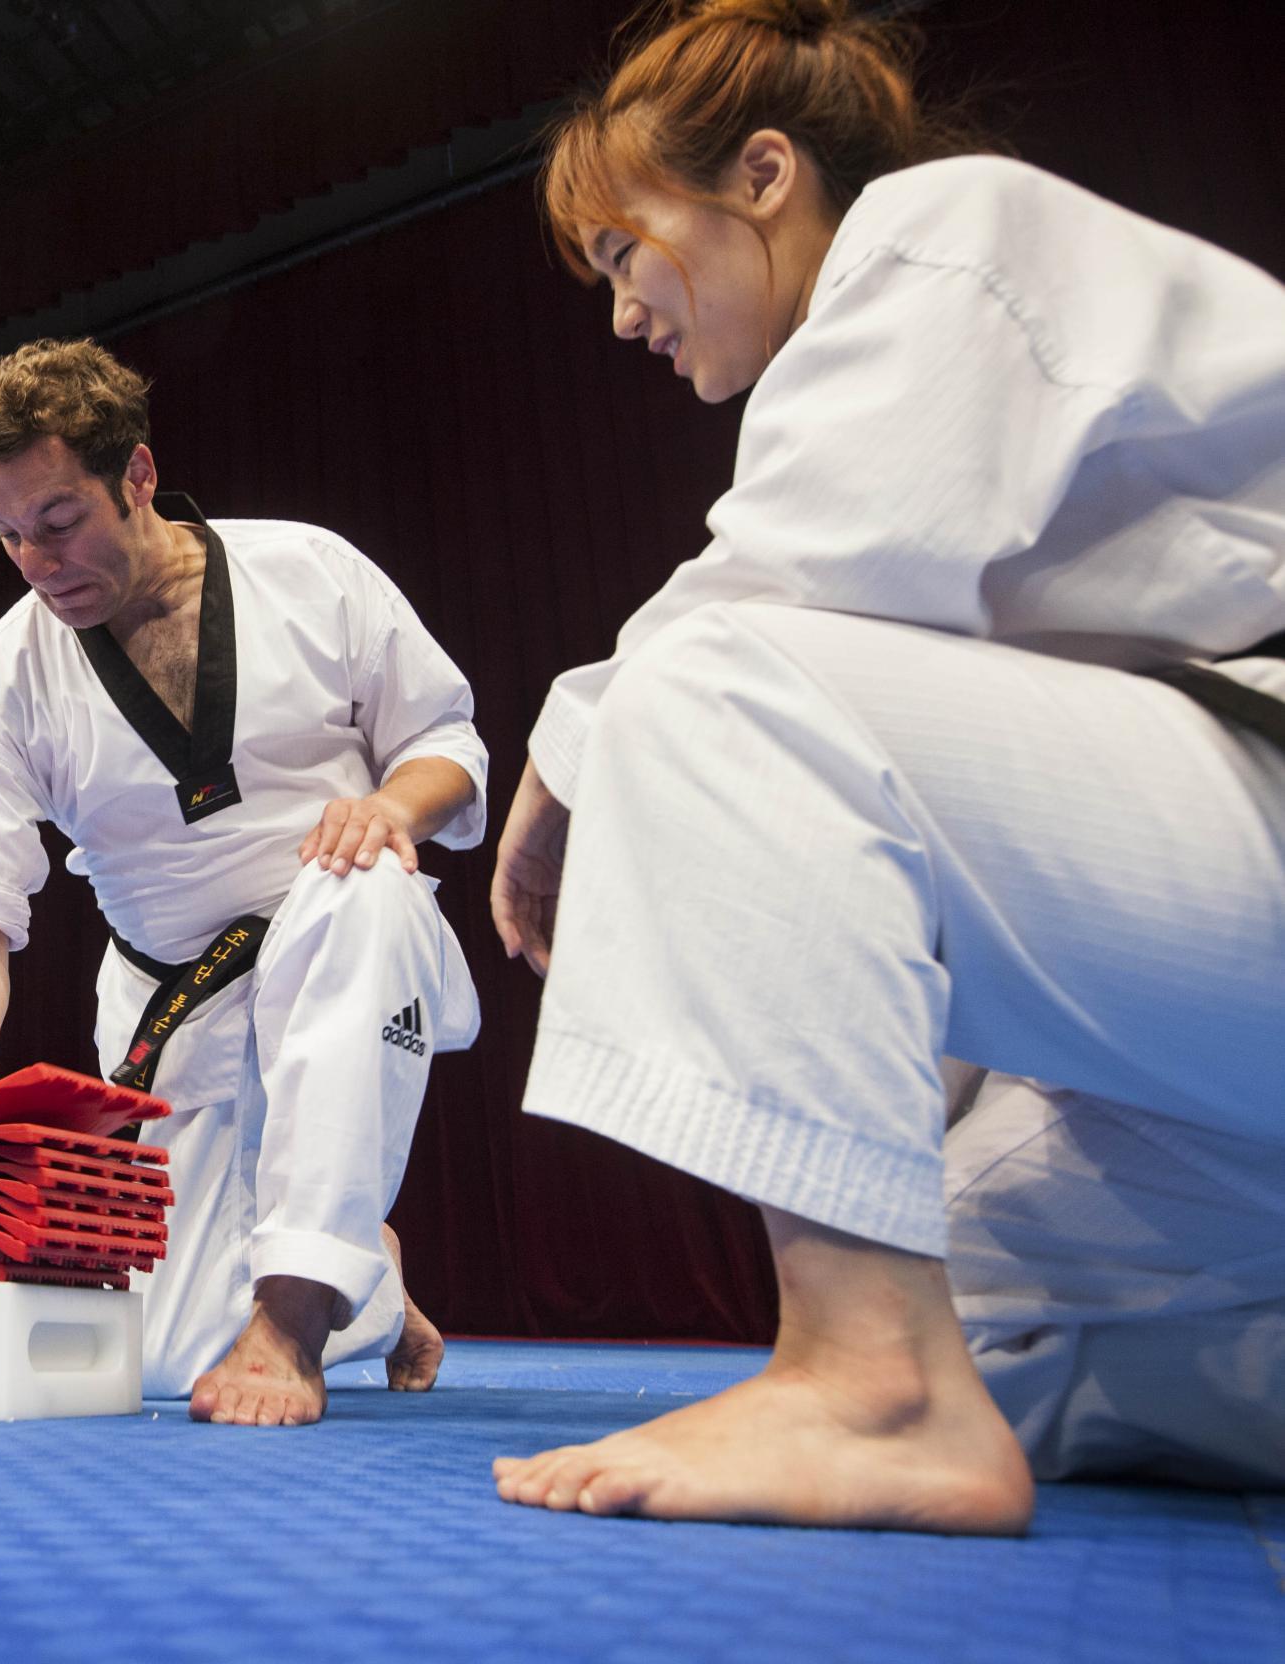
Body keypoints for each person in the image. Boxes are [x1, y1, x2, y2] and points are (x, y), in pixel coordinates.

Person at [486, 0, 1285, 1532]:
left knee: (708, 683)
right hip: (1225, 962)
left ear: (766, 174)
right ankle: (927, 1374)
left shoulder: (943, 233)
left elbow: (768, 611)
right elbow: (972, 857)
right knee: (977, 1289)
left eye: (622, 252)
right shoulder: (911, 429)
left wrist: (564, 751)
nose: (622, 316)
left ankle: (873, 1381)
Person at [0, 338, 489, 1427]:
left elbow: (448, 746)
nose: (36, 560)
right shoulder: (6, 677)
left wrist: (390, 806)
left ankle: (297, 1314)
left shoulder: (309, 572)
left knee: (355, 883)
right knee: (166, 1360)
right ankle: (366, 1274)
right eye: (5, 535)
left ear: (136, 474)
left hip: (355, 954)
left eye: (58, 520)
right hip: (174, 1003)